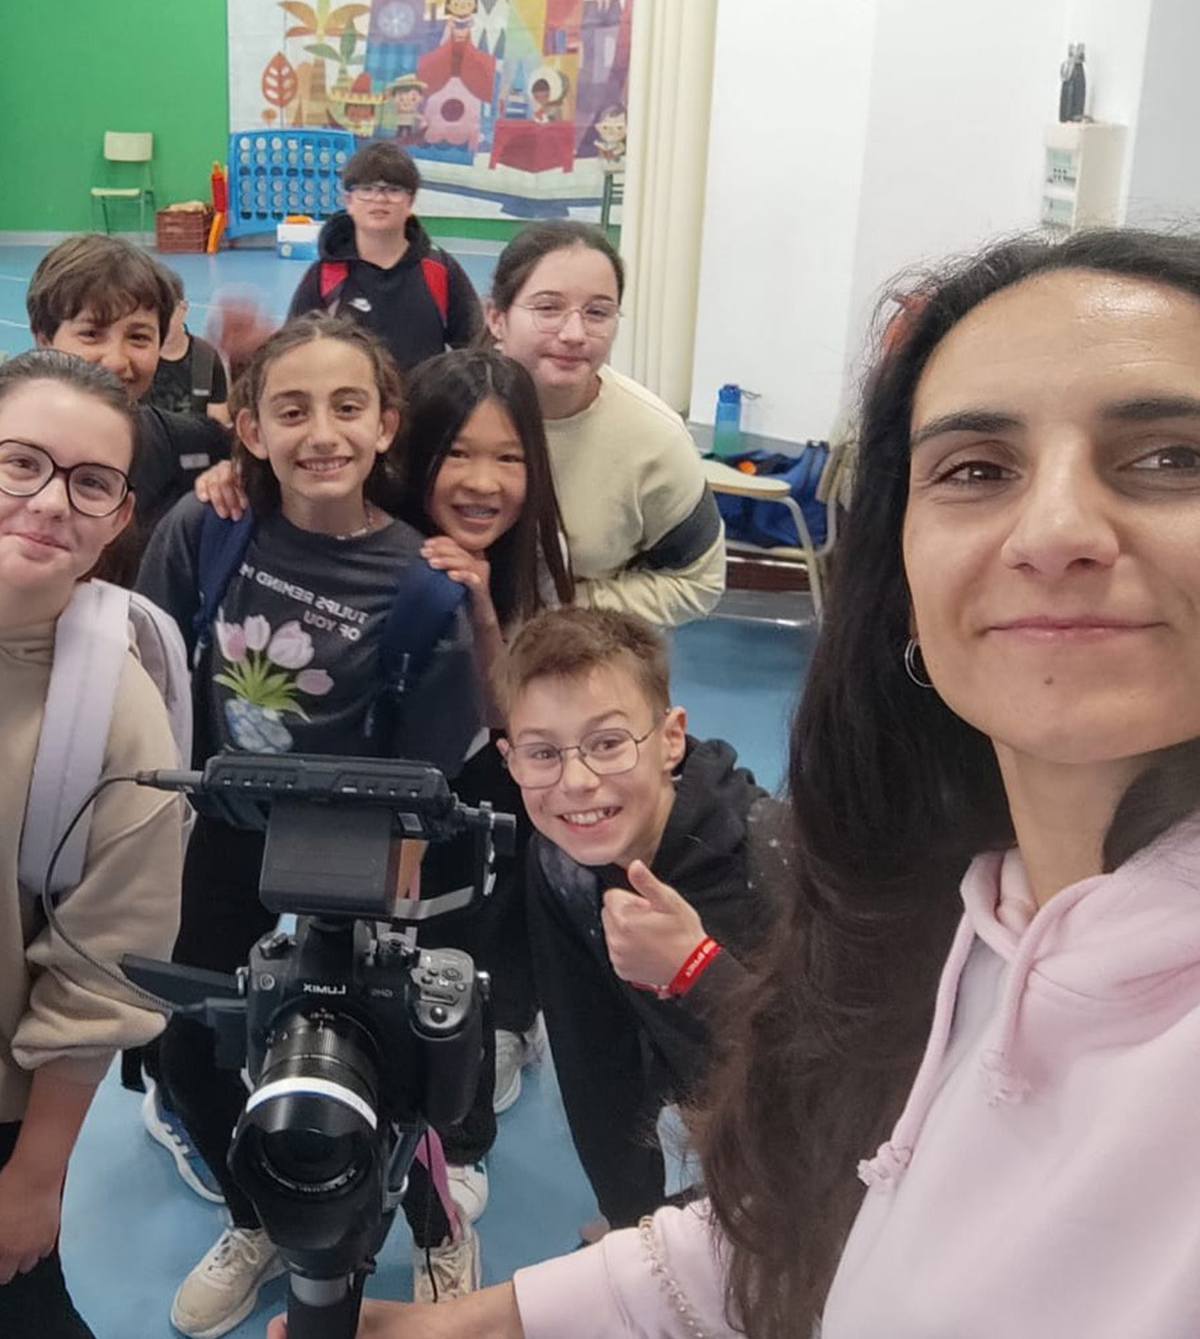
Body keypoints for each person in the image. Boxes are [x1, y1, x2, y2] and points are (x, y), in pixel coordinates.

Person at [270, 226, 1200, 1339]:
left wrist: (695, 972)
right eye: (977, 470)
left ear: (668, 736)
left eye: (1169, 458)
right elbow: (832, 1202)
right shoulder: (937, 911)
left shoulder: (761, 853)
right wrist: (514, 1309)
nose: (1055, 531)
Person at [136, 315, 482, 1337]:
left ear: (385, 425)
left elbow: (432, 765)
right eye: (291, 410)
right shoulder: (207, 528)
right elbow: (149, 668)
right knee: (193, 1050)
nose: (321, 432)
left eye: (347, 407)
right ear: (250, 428)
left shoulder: (423, 583)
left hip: (362, 846)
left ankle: (435, 1222)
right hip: (229, 826)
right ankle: (255, 1219)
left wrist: (401, 874)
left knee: (395, 1070)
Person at [0, 349, 184, 1338]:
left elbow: (102, 965)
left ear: (118, 519)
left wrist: (34, 1177)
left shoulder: (114, 710)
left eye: (90, 482)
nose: (47, 501)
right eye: (19, 462)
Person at [498, 607, 781, 1231]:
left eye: (607, 743)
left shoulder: (774, 859)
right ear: (510, 762)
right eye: (542, 753)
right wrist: (631, 1219)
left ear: (670, 739)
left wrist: (696, 971)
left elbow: (836, 1083)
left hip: (801, 1160)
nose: (576, 782)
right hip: (698, 1124)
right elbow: (591, 1056)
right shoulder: (561, 861)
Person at [399, 351, 574, 1216]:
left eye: (508, 457)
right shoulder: (383, 538)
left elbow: (516, 720)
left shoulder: (533, 553)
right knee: (391, 946)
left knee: (475, 943)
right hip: (393, 784)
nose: (483, 483)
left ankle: (463, 1139)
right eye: (458, 454)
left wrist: (479, 607)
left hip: (486, 777)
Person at [486, 222, 725, 629]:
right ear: (497, 317)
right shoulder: (447, 406)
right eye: (548, 308)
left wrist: (561, 608)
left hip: (576, 649)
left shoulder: (654, 438)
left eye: (597, 313)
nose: (574, 334)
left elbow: (700, 580)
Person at [26, 235, 229, 570]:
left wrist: (234, 474)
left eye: (138, 337)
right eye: (91, 334)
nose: (117, 361)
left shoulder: (189, 443)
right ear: (44, 339)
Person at [286, 139, 482, 372]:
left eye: (393, 190)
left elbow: (476, 350)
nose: (379, 199)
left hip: (423, 396)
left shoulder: (440, 270)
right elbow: (295, 352)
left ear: (410, 202)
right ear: (349, 201)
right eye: (367, 189)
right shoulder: (324, 276)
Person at [143, 267, 231, 426]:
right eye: (155, 314)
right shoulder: (136, 358)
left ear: (183, 309)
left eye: (167, 312)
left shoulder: (206, 357)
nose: (162, 322)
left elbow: (218, 423)